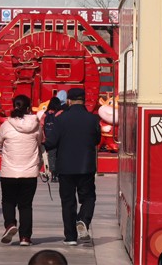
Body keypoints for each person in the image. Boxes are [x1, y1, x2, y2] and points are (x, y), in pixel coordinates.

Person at [43, 87, 101, 246]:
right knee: (88, 197)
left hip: (65, 167)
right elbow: (97, 140)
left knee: (68, 201)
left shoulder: (61, 119)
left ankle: (70, 237)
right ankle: (83, 220)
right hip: (86, 166)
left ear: (68, 101)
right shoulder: (93, 119)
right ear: (84, 100)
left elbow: (51, 142)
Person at [0, 94, 43, 246]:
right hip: (29, 172)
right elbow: (41, 142)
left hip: (9, 171)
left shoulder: (6, 125)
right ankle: (25, 237)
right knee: (26, 205)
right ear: (29, 107)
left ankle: (10, 224)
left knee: (8, 201)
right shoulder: (36, 125)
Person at [40, 97, 63, 183]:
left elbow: (41, 126)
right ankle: (59, 173)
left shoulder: (45, 114)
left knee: (51, 156)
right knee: (60, 156)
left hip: (49, 139)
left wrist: (43, 138)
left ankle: (53, 174)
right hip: (60, 139)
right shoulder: (61, 113)